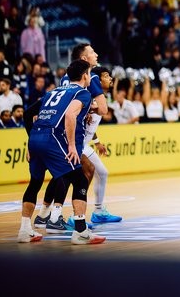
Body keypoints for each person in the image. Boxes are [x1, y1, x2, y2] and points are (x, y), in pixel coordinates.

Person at [17, 59, 106, 244]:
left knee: (35, 182)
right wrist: (72, 146)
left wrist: (29, 143)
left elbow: (27, 115)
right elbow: (70, 114)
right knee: (80, 179)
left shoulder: (53, 92)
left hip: (35, 138)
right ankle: (81, 231)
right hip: (54, 139)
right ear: (84, 76)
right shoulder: (83, 93)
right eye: (89, 74)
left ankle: (25, 230)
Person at [78, 66, 122, 224]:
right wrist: (87, 111)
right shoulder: (88, 96)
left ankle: (98, 212)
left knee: (102, 173)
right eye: (106, 76)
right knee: (81, 176)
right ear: (97, 80)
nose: (110, 79)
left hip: (84, 143)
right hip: (75, 143)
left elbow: (92, 127)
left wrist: (97, 142)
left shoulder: (101, 98)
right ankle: (74, 215)